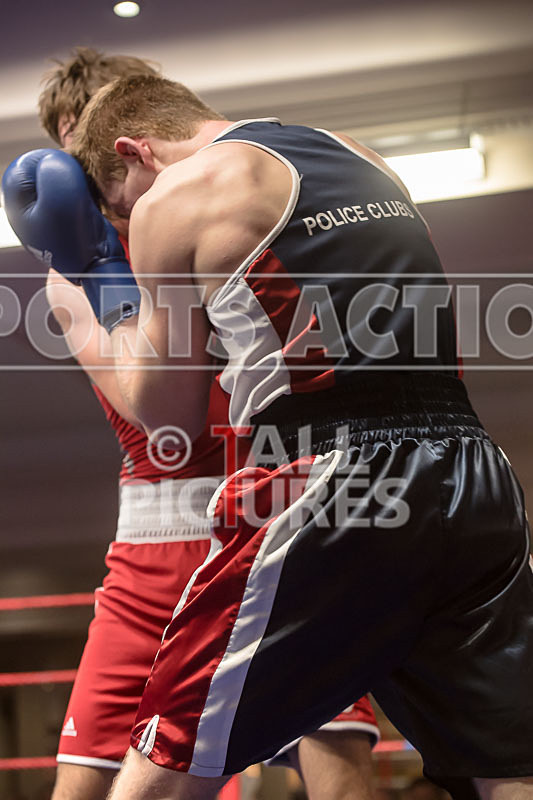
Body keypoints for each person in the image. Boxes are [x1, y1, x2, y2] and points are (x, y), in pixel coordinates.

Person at [6, 73, 533, 800]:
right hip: (474, 473)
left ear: (135, 152)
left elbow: (165, 414)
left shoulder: (172, 198)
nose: (126, 223)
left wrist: (96, 286)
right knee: (501, 766)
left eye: (119, 204)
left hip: (328, 475)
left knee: (168, 756)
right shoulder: (356, 152)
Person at [30, 48, 380, 800]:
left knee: (333, 751)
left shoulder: (218, 202)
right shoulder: (72, 268)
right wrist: (99, 278)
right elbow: (151, 412)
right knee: (85, 784)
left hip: (268, 504)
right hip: (150, 546)